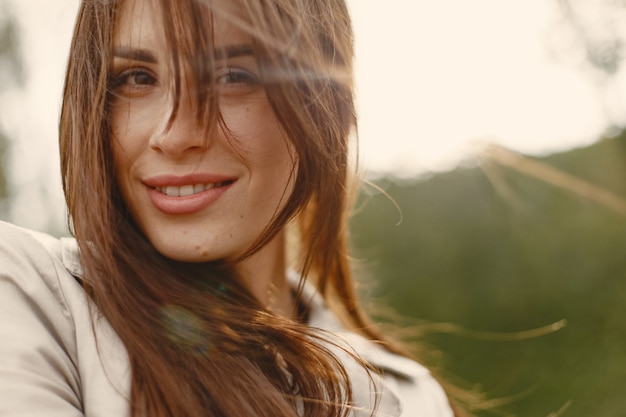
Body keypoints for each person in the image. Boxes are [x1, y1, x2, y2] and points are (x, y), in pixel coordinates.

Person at [0, 0, 461, 415]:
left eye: (233, 76)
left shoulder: (412, 398)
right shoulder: (31, 298)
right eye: (137, 78)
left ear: (329, 107)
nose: (175, 135)